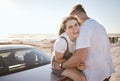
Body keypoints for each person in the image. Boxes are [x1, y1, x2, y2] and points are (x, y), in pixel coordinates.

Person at [58, 4, 115, 81]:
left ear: (75, 13)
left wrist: (61, 66)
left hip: (93, 76)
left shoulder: (84, 29)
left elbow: (80, 57)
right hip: (106, 73)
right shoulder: (100, 26)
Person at [51, 16, 86, 81]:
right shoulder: (61, 42)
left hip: (69, 62)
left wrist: (79, 64)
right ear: (65, 30)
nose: (75, 29)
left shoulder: (80, 37)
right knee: (81, 78)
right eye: (70, 27)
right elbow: (58, 59)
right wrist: (75, 65)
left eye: (76, 25)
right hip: (58, 65)